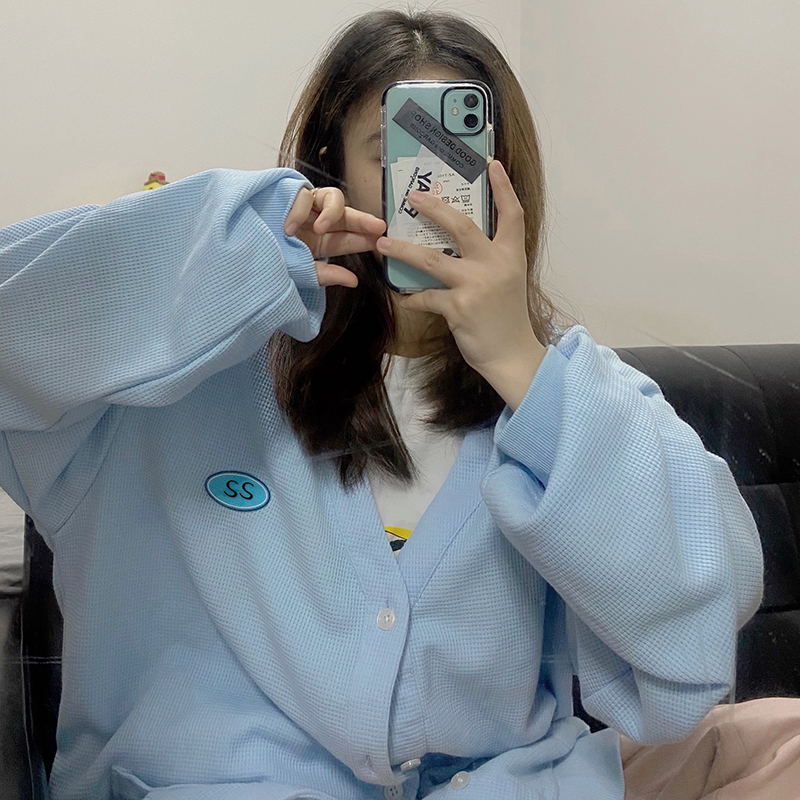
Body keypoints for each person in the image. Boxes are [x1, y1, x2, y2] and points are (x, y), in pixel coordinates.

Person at [0, 8, 784, 800]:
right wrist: (231, 245)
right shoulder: (185, 366)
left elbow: (697, 627)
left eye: (460, 155)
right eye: (395, 151)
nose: (430, 187)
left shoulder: (565, 387)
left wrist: (522, 365)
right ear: (331, 166)